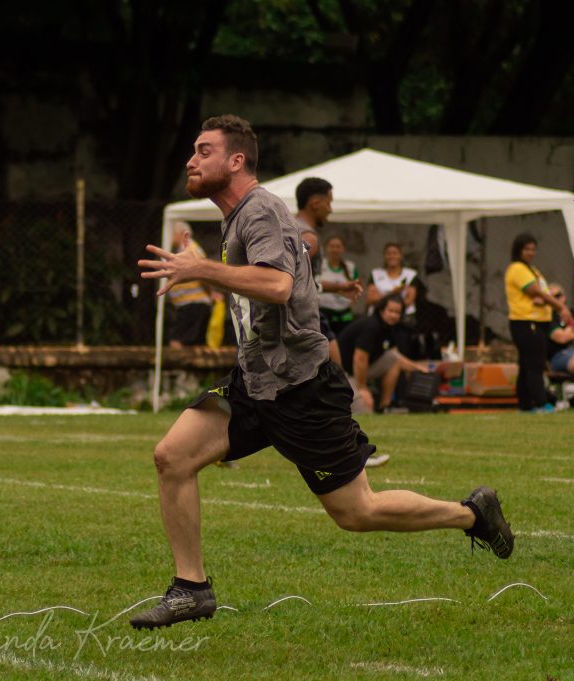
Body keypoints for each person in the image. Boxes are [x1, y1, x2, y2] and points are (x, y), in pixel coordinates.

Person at [130, 114, 514, 630]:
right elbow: (295, 280)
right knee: (171, 457)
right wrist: (329, 289)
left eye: (203, 151)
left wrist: (198, 269)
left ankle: (471, 513)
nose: (190, 160)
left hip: (301, 390)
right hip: (255, 380)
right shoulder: (237, 215)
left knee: (357, 513)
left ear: (235, 160)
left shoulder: (259, 208)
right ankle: (191, 589)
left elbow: (277, 286)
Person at [295, 177, 361, 366]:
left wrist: (339, 287)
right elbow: (287, 278)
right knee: (337, 379)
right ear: (315, 203)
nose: (330, 209)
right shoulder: (308, 237)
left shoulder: (289, 227)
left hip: (302, 319)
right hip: (307, 319)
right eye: (328, 202)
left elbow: (303, 281)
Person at [505, 233, 571, 412]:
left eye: (533, 249)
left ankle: (526, 405)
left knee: (526, 365)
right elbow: (537, 292)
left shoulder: (532, 270)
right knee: (535, 365)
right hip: (526, 322)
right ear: (518, 250)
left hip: (537, 322)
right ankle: (542, 404)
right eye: (527, 249)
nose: (531, 253)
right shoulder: (518, 269)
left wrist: (545, 298)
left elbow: (542, 294)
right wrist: (560, 307)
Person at [337, 294, 429, 414]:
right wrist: (363, 388)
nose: (394, 315)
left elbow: (395, 355)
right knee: (364, 411)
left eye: (397, 312)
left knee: (393, 358)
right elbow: (360, 359)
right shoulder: (371, 325)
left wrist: (418, 368)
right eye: (390, 311)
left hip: (359, 372)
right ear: (381, 310)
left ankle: (384, 407)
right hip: (342, 374)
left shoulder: (391, 328)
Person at [166, 221, 212, 348]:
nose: (170, 236)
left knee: (176, 340)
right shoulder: (183, 249)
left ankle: (178, 367)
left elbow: (203, 273)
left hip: (193, 303)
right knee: (193, 342)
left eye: (172, 233)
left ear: (181, 233)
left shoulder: (191, 249)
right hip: (189, 303)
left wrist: (211, 293)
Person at [318, 235, 361, 335]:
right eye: (332, 246)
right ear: (326, 248)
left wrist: (351, 299)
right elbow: (314, 284)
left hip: (345, 315)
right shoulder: (320, 264)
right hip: (323, 313)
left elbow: (358, 288)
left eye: (338, 246)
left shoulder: (350, 267)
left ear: (343, 249)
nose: (335, 249)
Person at [547, 286, 574, 374]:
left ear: (564, 297)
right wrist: (572, 324)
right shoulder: (549, 317)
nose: (555, 299)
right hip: (559, 355)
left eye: (558, 296)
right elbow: (562, 338)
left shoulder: (571, 312)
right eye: (551, 297)